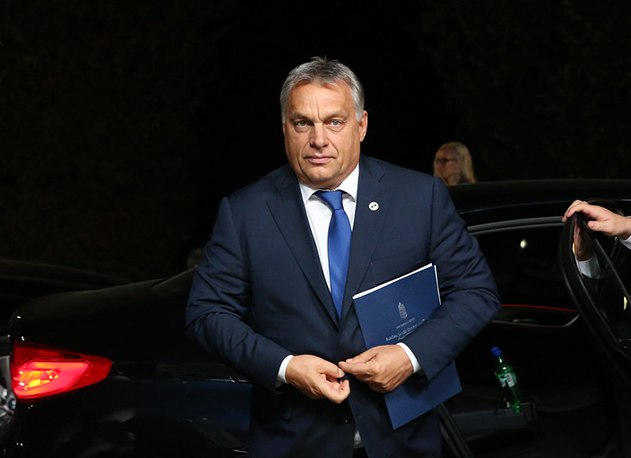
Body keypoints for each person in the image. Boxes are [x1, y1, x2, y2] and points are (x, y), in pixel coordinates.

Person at [185, 57, 500, 457]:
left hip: (402, 441)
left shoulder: (420, 198)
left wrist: (410, 356)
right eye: (303, 123)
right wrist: (285, 367)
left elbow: (476, 291)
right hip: (296, 442)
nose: (319, 139)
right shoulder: (246, 212)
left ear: (361, 125)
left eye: (334, 122)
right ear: (285, 129)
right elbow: (206, 313)